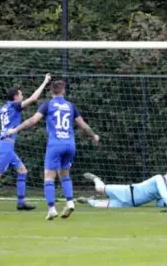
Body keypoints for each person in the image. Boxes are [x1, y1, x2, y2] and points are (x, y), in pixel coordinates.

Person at [7, 80, 99, 220]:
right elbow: (83, 125)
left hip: (55, 145)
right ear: (64, 91)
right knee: (65, 175)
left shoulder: (48, 105)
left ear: (51, 92)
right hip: (70, 145)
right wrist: (94, 135)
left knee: (49, 177)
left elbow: (33, 121)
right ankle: (69, 202)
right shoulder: (70, 106)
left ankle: (51, 209)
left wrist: (16, 129)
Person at [0, 74, 51, 210]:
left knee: (22, 171)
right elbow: (34, 98)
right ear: (16, 96)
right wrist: (45, 81)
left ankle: (21, 203)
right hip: (6, 145)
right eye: (21, 95)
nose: (22, 97)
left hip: (5, 145)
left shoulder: (4, 107)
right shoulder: (16, 106)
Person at [77, 169, 167, 208]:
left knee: (99, 205)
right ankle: (96, 178)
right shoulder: (159, 178)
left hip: (130, 204)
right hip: (127, 192)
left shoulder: (166, 191)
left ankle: (88, 200)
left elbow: (159, 204)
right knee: (99, 188)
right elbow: (164, 195)